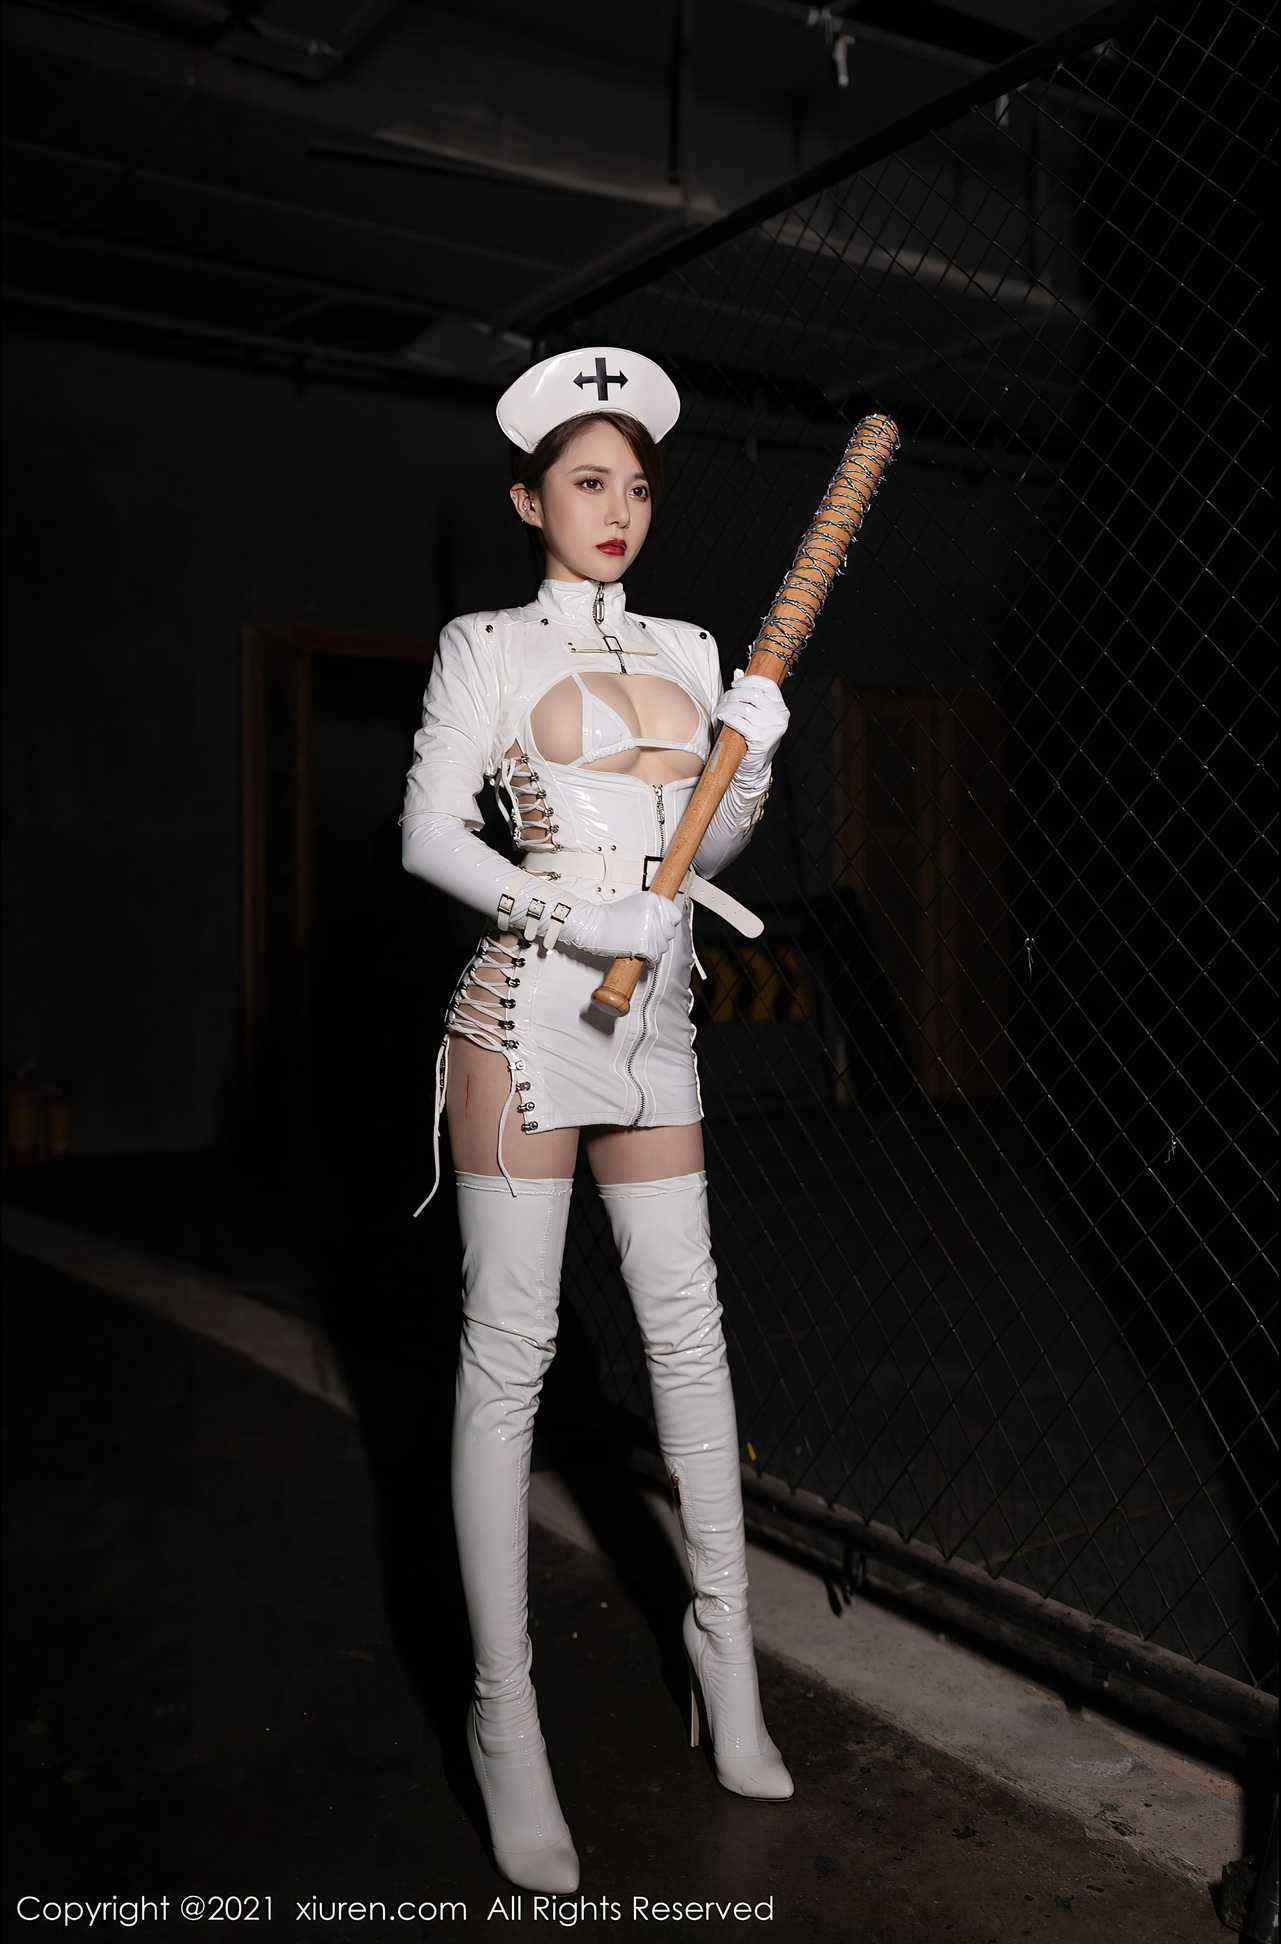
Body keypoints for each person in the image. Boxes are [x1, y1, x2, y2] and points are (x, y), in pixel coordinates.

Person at [399, 345, 793, 1893]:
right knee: (509, 1359)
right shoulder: (486, 644)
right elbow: (428, 834)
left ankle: (727, 1665)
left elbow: (708, 842)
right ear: (529, 500)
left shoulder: (691, 646)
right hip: (524, 1021)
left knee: (689, 1336)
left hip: (658, 1026)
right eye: (585, 481)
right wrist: (567, 917)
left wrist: (749, 760)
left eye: (634, 484)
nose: (616, 507)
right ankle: (505, 1722)